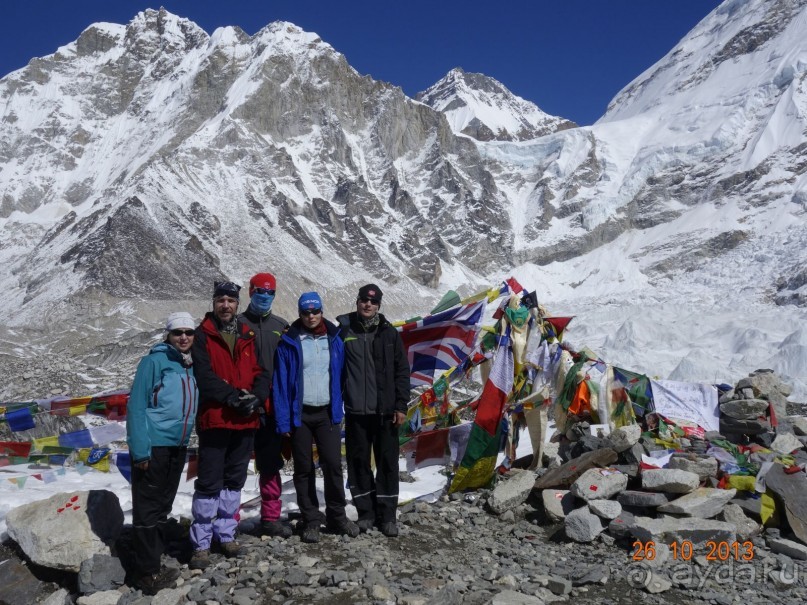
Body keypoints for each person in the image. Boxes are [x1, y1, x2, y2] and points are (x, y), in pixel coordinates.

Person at [189, 281, 270, 569]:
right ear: (213, 302)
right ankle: (200, 542)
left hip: (245, 420)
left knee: (234, 481)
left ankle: (226, 534)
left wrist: (258, 396)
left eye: (230, 300)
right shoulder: (202, 336)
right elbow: (204, 375)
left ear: (237, 304)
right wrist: (233, 398)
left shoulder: (246, 335)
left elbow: (260, 371)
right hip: (216, 419)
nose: (226, 305)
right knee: (210, 481)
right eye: (221, 300)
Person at [274, 292, 360, 543]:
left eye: (315, 311)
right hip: (299, 414)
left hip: (327, 412)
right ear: (300, 313)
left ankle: (337, 516)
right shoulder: (289, 341)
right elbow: (280, 383)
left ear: (321, 311)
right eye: (305, 312)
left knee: (333, 464)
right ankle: (311, 519)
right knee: (303, 468)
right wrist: (283, 420)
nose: (311, 316)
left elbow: (344, 373)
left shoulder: (334, 339)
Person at [127, 311, 199, 594]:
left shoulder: (189, 366)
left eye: (188, 333)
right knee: (147, 507)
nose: (183, 337)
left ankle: (153, 559)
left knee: (162, 505)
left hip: (177, 446)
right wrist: (140, 450)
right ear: (168, 335)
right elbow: (136, 407)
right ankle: (144, 573)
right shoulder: (153, 361)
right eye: (177, 332)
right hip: (153, 445)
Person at [337, 284, 410, 537]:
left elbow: (402, 371)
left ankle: (387, 515)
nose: (368, 305)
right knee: (358, 463)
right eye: (363, 301)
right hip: (356, 412)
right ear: (357, 302)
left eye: (373, 302)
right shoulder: (345, 330)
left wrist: (401, 405)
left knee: (387, 463)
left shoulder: (389, 333)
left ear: (379, 305)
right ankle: (366, 513)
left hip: (386, 412)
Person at [238, 272, 292, 538]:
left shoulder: (281, 327)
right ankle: (229, 520)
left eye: (270, 293)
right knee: (235, 465)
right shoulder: (236, 324)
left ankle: (270, 517)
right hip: (240, 407)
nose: (265, 297)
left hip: (271, 409)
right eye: (261, 291)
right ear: (250, 292)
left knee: (270, 464)